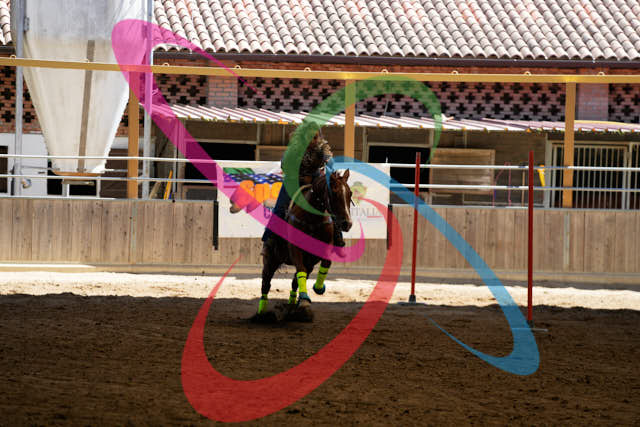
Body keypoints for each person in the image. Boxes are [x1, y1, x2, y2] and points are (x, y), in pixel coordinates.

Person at [261, 128, 346, 256]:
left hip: (314, 178)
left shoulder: (322, 146)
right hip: (293, 180)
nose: (313, 140)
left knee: (330, 203)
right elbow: (285, 165)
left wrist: (331, 169)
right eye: (310, 137)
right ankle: (268, 242)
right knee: (279, 208)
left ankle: (338, 240)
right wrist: (299, 176)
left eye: (316, 137)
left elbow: (329, 160)